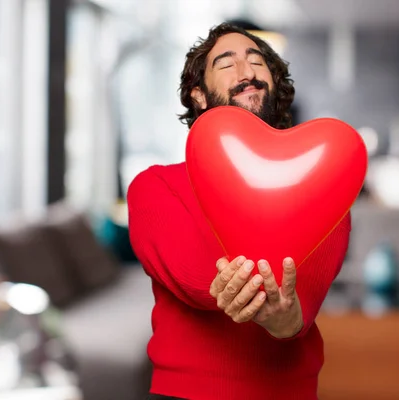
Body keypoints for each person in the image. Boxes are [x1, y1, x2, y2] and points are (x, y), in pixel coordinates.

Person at [128, 22, 351, 400]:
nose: (247, 73)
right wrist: (267, 295)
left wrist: (286, 318)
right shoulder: (154, 188)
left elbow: (303, 301)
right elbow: (199, 278)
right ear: (199, 96)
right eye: (226, 64)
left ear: (275, 82)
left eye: (256, 61)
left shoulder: (324, 190)